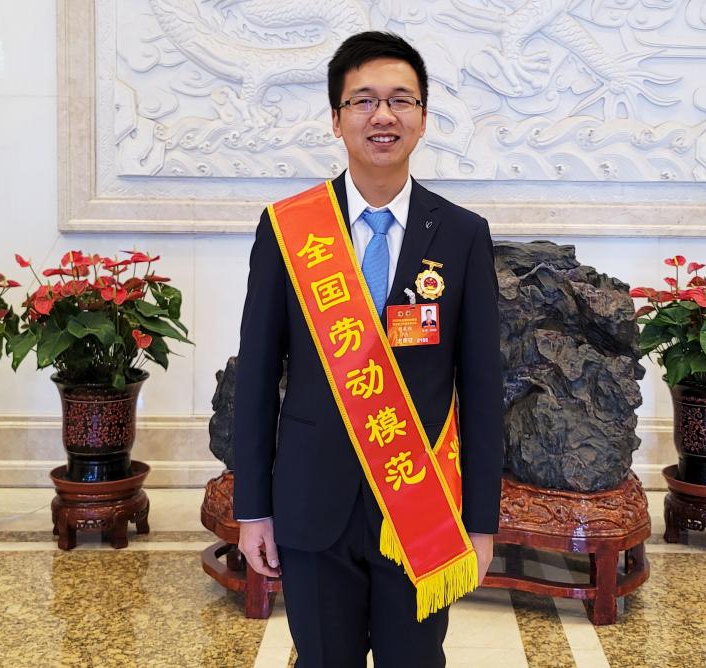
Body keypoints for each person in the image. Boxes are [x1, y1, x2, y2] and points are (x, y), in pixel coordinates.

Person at [233, 31, 503, 668]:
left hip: (421, 505)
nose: (383, 115)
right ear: (337, 119)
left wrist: (480, 522)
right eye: (363, 101)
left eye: (400, 100)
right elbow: (257, 376)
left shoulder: (462, 234)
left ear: (423, 118)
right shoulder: (289, 228)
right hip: (311, 501)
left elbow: (482, 388)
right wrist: (253, 512)